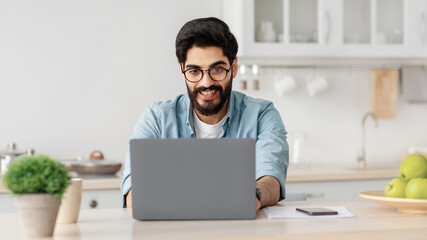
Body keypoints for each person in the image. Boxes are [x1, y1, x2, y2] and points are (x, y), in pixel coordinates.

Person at [121, 17, 289, 210]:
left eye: (217, 69)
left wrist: (251, 196)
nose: (206, 82)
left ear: (233, 68)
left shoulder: (262, 115)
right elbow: (134, 195)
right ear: (182, 71)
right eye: (194, 71)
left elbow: (271, 181)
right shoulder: (156, 118)